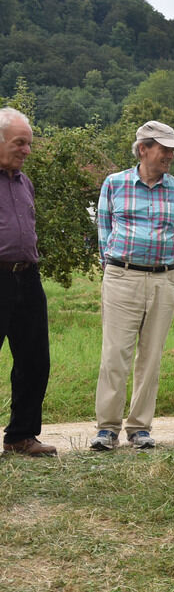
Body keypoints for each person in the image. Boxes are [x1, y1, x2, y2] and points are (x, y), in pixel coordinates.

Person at [91, 120, 174, 451]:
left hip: (164, 278)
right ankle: (107, 428)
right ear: (143, 148)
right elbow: (104, 231)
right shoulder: (114, 184)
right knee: (115, 353)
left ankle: (139, 428)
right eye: (164, 148)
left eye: (172, 150)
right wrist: (117, 268)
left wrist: (162, 265)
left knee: (152, 357)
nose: (169, 156)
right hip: (122, 275)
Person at [0, 107, 57, 456]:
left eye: (29, 144)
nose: (27, 150)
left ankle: (21, 436)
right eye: (20, 143)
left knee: (35, 359)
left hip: (27, 276)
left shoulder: (25, 182)